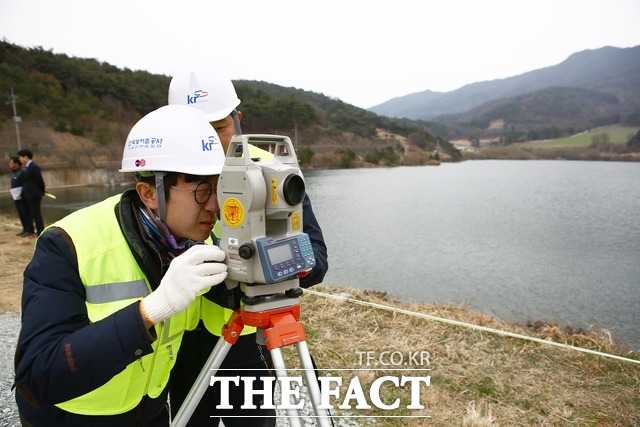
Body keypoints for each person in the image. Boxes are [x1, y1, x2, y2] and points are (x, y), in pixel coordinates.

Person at [14, 105, 229, 426]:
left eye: (220, 188)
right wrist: (150, 311)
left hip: (151, 410)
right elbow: (38, 375)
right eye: (202, 191)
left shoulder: (199, 243)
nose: (215, 206)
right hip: (73, 418)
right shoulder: (67, 244)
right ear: (149, 193)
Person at [167, 67, 329, 425]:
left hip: (247, 338)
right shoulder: (164, 175)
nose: (209, 141)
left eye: (219, 128)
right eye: (197, 131)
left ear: (238, 119)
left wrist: (280, 264)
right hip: (180, 339)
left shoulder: (275, 169)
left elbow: (316, 260)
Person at [17, 148, 46, 237]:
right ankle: (33, 231)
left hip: (34, 195)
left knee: (36, 215)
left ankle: (40, 233)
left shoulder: (34, 167)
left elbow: (40, 180)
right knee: (32, 214)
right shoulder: (26, 168)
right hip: (28, 195)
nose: (20, 159)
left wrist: (42, 191)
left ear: (26, 157)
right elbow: (26, 183)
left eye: (21, 157)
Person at [9, 155, 29, 236]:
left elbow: (25, 184)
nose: (9, 164)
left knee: (25, 213)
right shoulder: (15, 173)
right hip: (16, 196)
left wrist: (22, 194)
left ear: (16, 163)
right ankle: (25, 229)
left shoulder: (22, 172)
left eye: (11, 162)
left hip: (22, 197)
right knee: (21, 213)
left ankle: (29, 230)